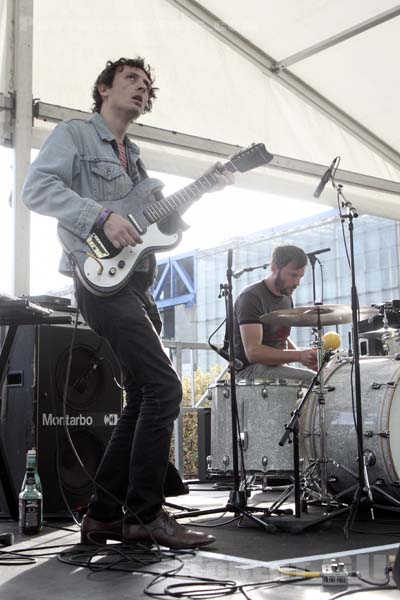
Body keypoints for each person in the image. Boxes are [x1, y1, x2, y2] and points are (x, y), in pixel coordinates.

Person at [23, 57, 234, 548]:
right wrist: (98, 217)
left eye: (147, 85)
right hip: (98, 281)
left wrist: (205, 187)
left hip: (137, 285)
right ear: (103, 88)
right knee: (164, 388)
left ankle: (101, 515)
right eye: (131, 80)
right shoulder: (76, 134)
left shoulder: (134, 157)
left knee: (142, 394)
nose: (141, 89)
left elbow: (155, 224)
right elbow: (37, 189)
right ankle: (144, 514)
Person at [233, 245, 318, 383]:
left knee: (325, 376)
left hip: (276, 368)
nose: (297, 283)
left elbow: (280, 337)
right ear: (274, 268)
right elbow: (253, 352)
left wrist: (307, 359)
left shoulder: (286, 297)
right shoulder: (251, 297)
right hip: (249, 372)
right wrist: (298, 355)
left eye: (300, 277)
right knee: (314, 380)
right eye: (293, 275)